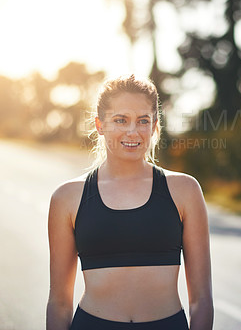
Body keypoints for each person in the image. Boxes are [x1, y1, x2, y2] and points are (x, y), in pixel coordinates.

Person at [46, 75, 214, 330]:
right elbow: (59, 303)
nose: (132, 131)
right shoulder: (67, 197)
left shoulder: (185, 190)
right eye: (120, 120)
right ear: (100, 125)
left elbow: (201, 301)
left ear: (155, 126)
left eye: (143, 121)